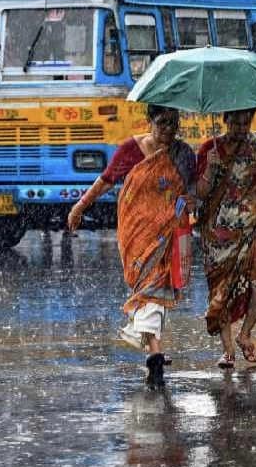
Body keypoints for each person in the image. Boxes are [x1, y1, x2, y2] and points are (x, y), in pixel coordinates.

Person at [67, 104, 196, 387]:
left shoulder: (184, 154)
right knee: (149, 288)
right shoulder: (131, 149)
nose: (169, 130)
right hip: (136, 232)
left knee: (157, 287)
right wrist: (80, 207)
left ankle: (155, 352)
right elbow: (105, 181)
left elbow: (192, 191)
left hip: (168, 231)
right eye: (162, 122)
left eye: (174, 123)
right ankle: (155, 348)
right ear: (149, 121)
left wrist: (193, 205)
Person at [196, 109, 256, 370]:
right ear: (224, 120)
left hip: (255, 227)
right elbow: (200, 192)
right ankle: (227, 350)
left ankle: (245, 334)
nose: (241, 127)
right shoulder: (209, 149)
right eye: (235, 122)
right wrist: (210, 170)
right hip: (218, 234)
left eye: (246, 122)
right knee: (221, 291)